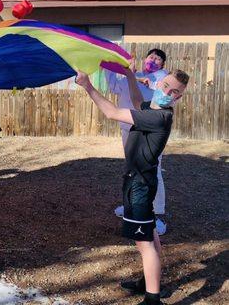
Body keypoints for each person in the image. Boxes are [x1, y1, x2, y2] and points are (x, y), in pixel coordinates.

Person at [77, 68, 189, 305]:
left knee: (144, 243)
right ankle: (147, 283)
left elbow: (112, 112)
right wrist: (129, 76)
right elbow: (138, 102)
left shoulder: (160, 117)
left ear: (178, 97)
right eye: (166, 86)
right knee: (151, 234)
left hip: (140, 186)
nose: (168, 92)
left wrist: (88, 86)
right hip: (140, 181)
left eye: (174, 92)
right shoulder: (154, 109)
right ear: (159, 84)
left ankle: (153, 299)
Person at [107, 49, 169, 235]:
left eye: (158, 59)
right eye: (151, 57)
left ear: (162, 65)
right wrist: (107, 66)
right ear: (144, 59)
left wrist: (131, 75)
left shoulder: (162, 78)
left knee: (153, 171)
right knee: (132, 169)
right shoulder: (134, 75)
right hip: (128, 128)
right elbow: (113, 87)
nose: (153, 60)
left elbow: (155, 88)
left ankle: (157, 216)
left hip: (149, 131)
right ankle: (131, 207)